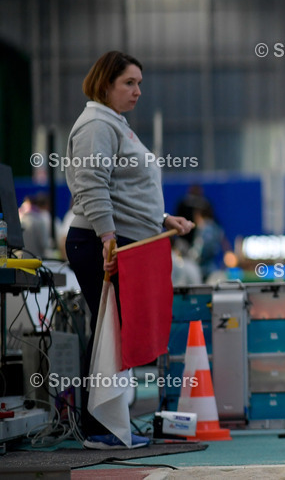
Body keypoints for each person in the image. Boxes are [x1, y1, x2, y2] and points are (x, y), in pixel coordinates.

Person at [64, 51, 194, 449]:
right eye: (129, 83)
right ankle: (100, 427)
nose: (138, 91)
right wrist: (108, 238)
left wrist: (162, 218)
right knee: (110, 332)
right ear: (106, 85)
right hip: (102, 243)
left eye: (139, 83)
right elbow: (92, 184)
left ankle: (108, 423)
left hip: (123, 242)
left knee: (116, 332)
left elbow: (125, 191)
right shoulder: (96, 125)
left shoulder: (115, 124)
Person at [19, 192, 54, 258]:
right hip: (36, 259)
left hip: (23, 259)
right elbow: (44, 244)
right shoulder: (41, 219)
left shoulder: (21, 218)